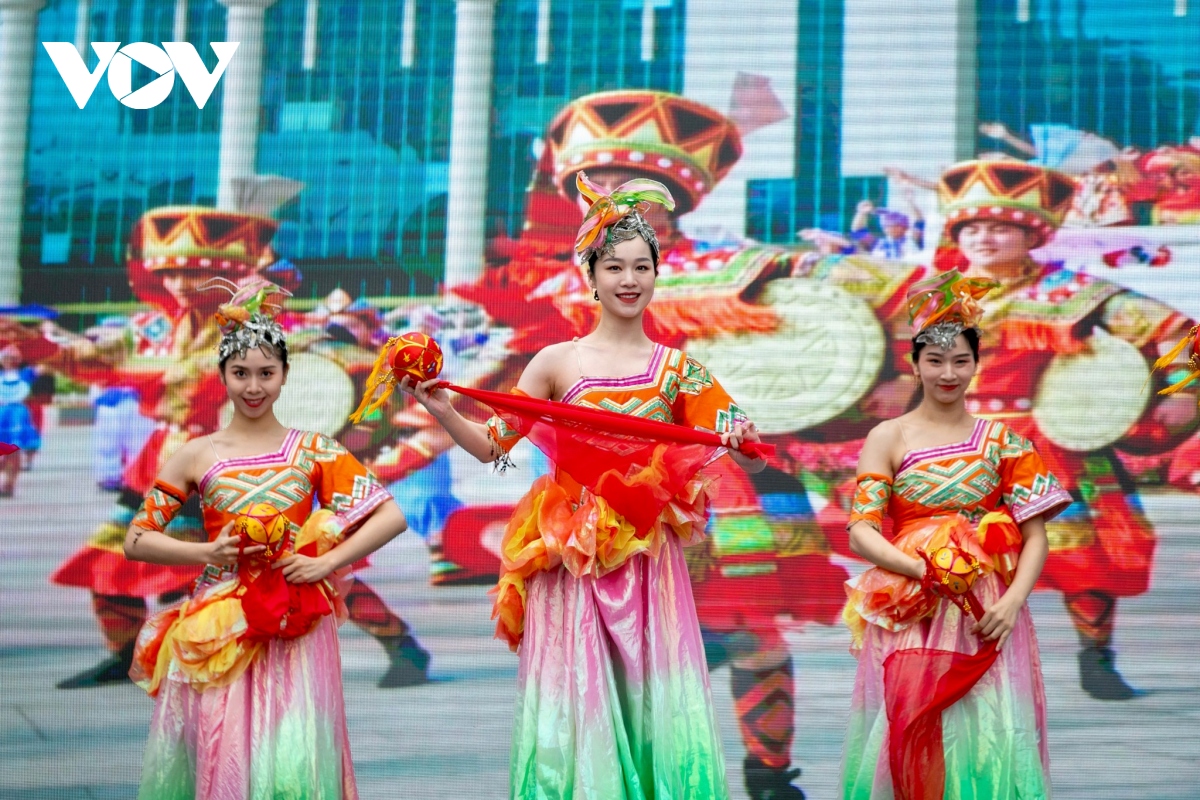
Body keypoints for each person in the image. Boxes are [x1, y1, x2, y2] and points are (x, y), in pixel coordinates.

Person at [402, 173, 765, 798]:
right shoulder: (555, 363)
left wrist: (743, 440)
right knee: (580, 693)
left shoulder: (681, 371)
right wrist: (441, 409)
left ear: (658, 275)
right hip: (571, 554)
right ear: (590, 276)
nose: (629, 280)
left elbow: (749, 456)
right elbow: (495, 445)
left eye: (641, 267)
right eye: (615, 266)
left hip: (648, 559)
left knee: (648, 692)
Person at [124, 283, 407, 799]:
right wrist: (205, 553)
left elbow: (389, 516)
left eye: (265, 374)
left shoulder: (314, 449)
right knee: (222, 745)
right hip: (220, 620)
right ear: (224, 377)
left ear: (283, 377)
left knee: (295, 748)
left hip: (298, 619)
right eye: (241, 374)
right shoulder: (195, 454)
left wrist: (327, 563)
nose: (253, 386)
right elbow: (138, 539)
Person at [840, 271, 1073, 799]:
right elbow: (862, 532)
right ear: (915, 364)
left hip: (985, 608)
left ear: (975, 364)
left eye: (960, 361)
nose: (948, 373)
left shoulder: (1002, 439)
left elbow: (1035, 536)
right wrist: (919, 569)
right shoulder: (888, 437)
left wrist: (1012, 603)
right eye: (935, 361)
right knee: (909, 721)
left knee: (989, 726)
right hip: (912, 603)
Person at [0, 344, 40, 496]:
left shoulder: (27, 373)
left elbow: (46, 362)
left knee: (14, 451)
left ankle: (9, 484)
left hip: (18, 414)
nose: (10, 360)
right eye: (7, 357)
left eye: (14, 357)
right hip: (1, 413)